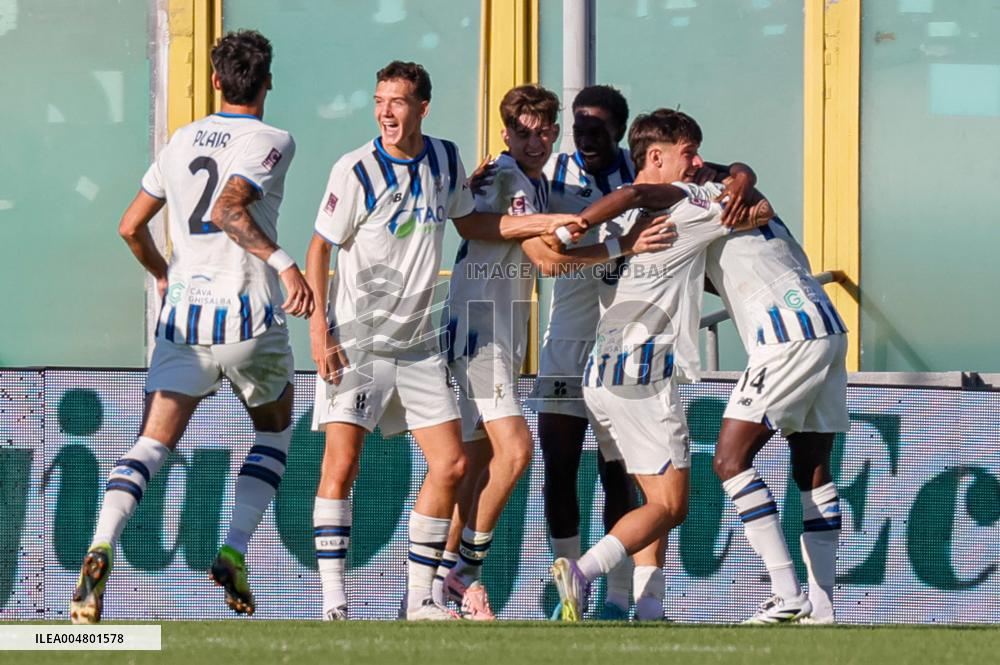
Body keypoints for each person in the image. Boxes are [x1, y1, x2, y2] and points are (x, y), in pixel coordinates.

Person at [305, 63, 581, 621]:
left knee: (454, 465)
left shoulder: (444, 158)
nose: (386, 111)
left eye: (398, 101)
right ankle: (335, 602)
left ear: (422, 107)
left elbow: (470, 222)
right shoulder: (354, 168)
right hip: (365, 340)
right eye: (379, 100)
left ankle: (424, 597)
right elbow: (319, 247)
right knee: (342, 464)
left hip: (421, 343)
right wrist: (319, 330)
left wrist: (534, 216)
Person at [70, 30, 313, 624]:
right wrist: (285, 264)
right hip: (248, 315)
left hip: (182, 318)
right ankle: (233, 549)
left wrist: (162, 273)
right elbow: (229, 209)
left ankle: (100, 545)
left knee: (151, 444)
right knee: (275, 431)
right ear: (268, 81)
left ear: (214, 80)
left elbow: (130, 226)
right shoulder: (272, 139)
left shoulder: (179, 141)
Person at [522, 109, 769, 621]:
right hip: (642, 371)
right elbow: (758, 209)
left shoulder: (616, 214)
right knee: (671, 504)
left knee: (647, 493)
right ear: (656, 157)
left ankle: (643, 606)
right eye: (689, 154)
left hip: (602, 370)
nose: (699, 164)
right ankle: (581, 573)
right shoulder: (682, 205)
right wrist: (739, 179)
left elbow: (553, 255)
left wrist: (599, 236)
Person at [705, 199, 849, 624]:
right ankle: (822, 609)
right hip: (826, 323)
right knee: (812, 468)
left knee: (729, 461)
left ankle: (786, 592)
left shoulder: (694, 200)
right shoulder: (737, 189)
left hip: (787, 331)